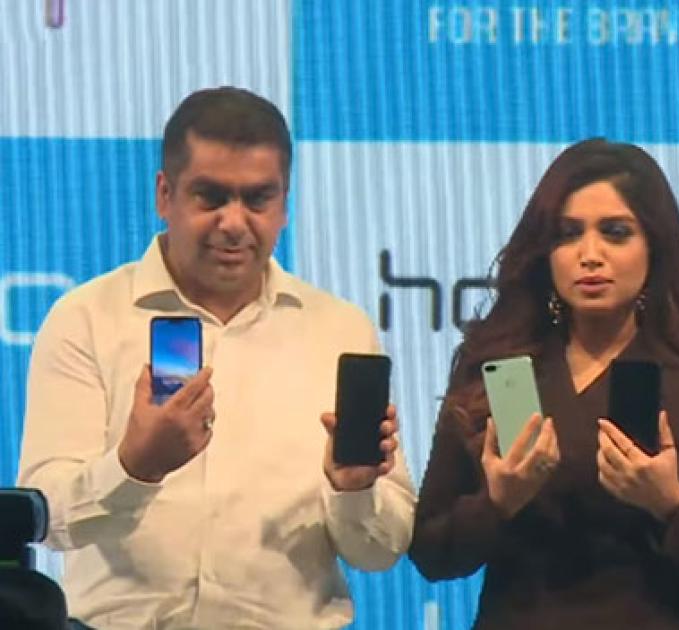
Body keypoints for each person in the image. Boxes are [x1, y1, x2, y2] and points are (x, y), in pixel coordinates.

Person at [17, 87, 416, 628]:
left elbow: (380, 551)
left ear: (284, 205)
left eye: (257, 199)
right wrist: (134, 466)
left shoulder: (339, 329)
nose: (233, 222)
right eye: (210, 197)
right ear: (165, 195)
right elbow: (44, 515)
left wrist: (354, 490)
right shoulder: (87, 318)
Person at [410, 138, 679, 628]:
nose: (590, 255)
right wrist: (497, 502)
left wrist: (670, 505)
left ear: (654, 245)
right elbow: (431, 553)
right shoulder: (500, 368)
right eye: (568, 234)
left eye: (615, 233)